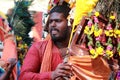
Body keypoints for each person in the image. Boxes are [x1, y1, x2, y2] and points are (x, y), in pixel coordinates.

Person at [19, 1, 72, 80]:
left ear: (69, 24)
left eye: (58, 21)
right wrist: (51, 75)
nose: (53, 25)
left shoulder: (81, 50)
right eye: (50, 21)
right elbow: (24, 76)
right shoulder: (38, 48)